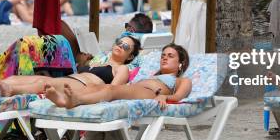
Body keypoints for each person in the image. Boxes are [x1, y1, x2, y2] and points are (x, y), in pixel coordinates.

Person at [0, 36, 141, 97]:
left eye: (125, 46)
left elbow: (113, 90)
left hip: (83, 88)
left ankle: (11, 90)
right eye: (118, 41)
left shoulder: (122, 69)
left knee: (41, 84)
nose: (119, 46)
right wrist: (83, 64)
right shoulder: (99, 60)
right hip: (72, 80)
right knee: (18, 77)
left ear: (130, 55)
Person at [46, 43, 191, 110]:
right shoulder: (152, 75)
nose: (164, 58)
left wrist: (165, 97)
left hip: (150, 94)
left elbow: (178, 96)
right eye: (163, 55)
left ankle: (77, 99)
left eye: (170, 56)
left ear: (181, 63)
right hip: (136, 90)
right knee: (93, 86)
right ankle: (65, 100)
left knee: (111, 90)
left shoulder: (183, 80)